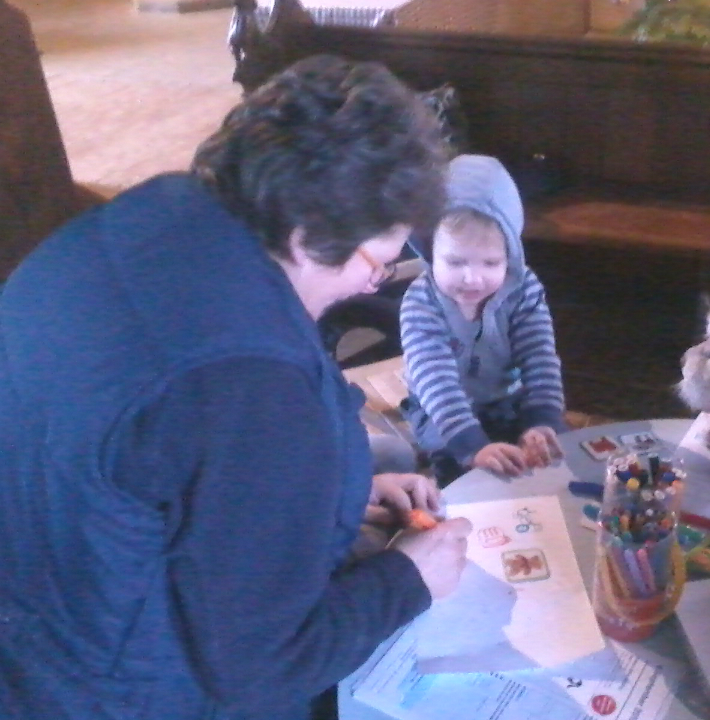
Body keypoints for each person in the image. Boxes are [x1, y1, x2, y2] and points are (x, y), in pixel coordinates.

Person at [0, 55, 472, 720]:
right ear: (308, 238)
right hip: (108, 691)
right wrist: (409, 581)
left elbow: (167, 462)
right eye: (376, 261)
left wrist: (329, 498)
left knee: (386, 457)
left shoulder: (160, 208)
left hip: (39, 605)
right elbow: (260, 669)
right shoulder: (254, 383)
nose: (373, 284)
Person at [400, 154, 567, 484]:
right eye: (455, 261)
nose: (472, 279)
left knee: (547, 453)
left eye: (490, 264)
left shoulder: (524, 288)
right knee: (459, 471)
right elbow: (436, 381)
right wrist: (472, 446)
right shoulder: (421, 302)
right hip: (440, 410)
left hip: (507, 399)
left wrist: (541, 418)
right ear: (430, 249)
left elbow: (540, 356)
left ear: (511, 257)